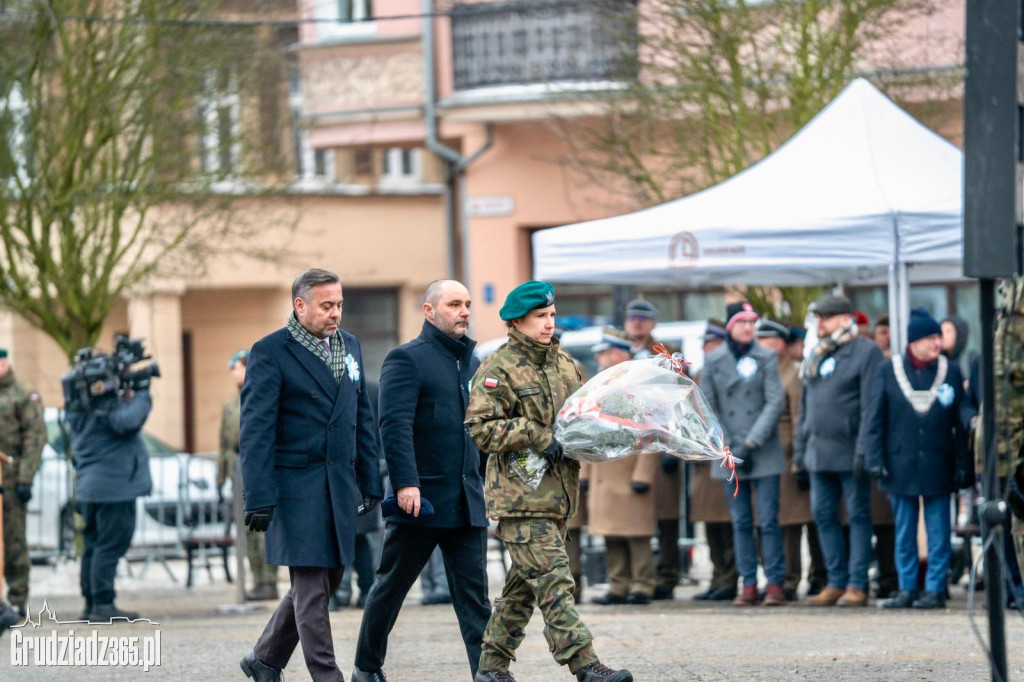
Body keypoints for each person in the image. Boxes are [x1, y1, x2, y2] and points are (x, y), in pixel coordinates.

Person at [466, 280, 632, 682]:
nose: (548, 323)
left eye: (552, 314)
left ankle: (491, 669)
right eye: (540, 316)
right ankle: (585, 665)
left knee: (522, 591)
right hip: (520, 499)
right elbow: (480, 428)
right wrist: (535, 434)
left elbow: (581, 418)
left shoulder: (566, 364)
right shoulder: (497, 367)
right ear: (516, 321)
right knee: (555, 581)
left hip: (558, 495)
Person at [239, 268, 383, 682]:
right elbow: (256, 429)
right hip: (295, 488)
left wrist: (370, 480)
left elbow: (360, 417)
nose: (335, 313)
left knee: (326, 579)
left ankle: (264, 660)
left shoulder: (350, 345)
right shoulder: (271, 351)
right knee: (312, 587)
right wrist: (258, 495)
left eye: (339, 304)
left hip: (338, 485)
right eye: (326, 306)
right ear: (300, 305)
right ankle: (326, 676)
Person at [352, 279, 490, 682]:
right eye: (454, 304)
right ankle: (366, 668)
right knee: (391, 588)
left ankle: (488, 672)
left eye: (467, 304)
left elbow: (477, 430)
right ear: (429, 311)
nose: (464, 311)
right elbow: (393, 426)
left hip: (466, 500)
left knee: (475, 598)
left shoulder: (473, 363)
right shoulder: (405, 359)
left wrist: (485, 484)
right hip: (421, 500)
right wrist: (405, 483)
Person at [865, 308, 972, 609]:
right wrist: (875, 458)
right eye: (929, 338)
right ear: (913, 342)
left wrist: (963, 465)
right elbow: (875, 419)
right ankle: (907, 588)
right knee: (904, 532)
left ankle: (935, 589)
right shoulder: (888, 371)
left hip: (939, 463)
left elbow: (959, 421)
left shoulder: (951, 371)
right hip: (900, 464)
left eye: (938, 337)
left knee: (939, 532)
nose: (937, 343)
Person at [795, 294, 883, 607]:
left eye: (826, 316)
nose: (820, 322)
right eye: (818, 317)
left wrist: (864, 449)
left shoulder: (866, 352)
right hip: (818, 451)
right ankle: (835, 581)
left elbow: (871, 406)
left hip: (850, 449)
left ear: (845, 319)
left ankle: (857, 584)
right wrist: (800, 451)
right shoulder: (817, 354)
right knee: (823, 515)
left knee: (858, 516)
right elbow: (807, 407)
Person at [701, 302, 786, 607]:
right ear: (730, 326)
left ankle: (775, 583)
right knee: (740, 521)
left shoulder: (766, 356)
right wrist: (730, 445)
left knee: (769, 520)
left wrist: (750, 443)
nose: (749, 327)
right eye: (742, 321)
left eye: (752, 322)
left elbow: (775, 402)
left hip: (762, 449)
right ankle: (748, 583)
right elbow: (707, 406)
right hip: (729, 451)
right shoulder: (714, 360)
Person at [68, 366, 153, 621]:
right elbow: (127, 422)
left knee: (94, 545)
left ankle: (92, 602)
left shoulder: (80, 407)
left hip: (92, 486)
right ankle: (103, 603)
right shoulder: (104, 406)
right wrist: (142, 393)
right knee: (110, 544)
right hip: (113, 487)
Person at [586, 329, 661, 606]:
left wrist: (644, 474)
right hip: (605, 470)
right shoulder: (600, 384)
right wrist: (586, 471)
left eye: (604, 353)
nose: (598, 358)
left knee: (636, 535)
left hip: (630, 471)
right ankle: (618, 585)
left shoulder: (640, 383)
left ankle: (642, 585)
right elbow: (588, 430)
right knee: (611, 534)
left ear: (619, 354)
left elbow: (653, 431)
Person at [756, 321, 827, 600]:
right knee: (782, 522)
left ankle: (811, 576)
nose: (759, 344)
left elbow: (799, 417)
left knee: (802, 520)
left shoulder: (793, 373)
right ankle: (784, 577)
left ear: (779, 344)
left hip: (790, 457)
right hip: (768, 456)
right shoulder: (762, 369)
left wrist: (799, 460)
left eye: (765, 340)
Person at [219, 349, 279, 602]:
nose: (234, 373)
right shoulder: (231, 403)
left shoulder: (263, 395)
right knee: (247, 529)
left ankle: (269, 579)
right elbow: (224, 441)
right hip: (238, 467)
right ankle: (257, 580)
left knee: (263, 526)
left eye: (238, 368)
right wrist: (221, 476)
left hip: (260, 465)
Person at [689, 319, 738, 602]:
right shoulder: (700, 374)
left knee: (727, 523)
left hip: (725, 455)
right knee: (711, 524)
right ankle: (718, 577)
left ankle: (729, 579)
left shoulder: (731, 370)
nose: (708, 348)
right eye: (705, 344)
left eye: (713, 343)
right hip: (704, 458)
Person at [0, 349, 45, 616]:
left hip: (11, 478)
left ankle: (17, 599)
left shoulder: (22, 393)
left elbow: (35, 437)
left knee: (14, 539)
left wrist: (26, 477)